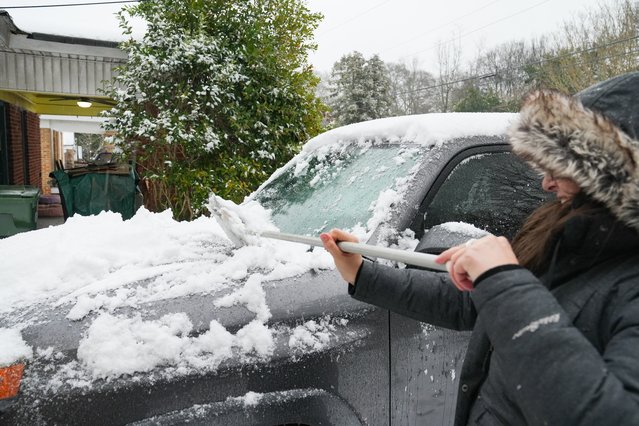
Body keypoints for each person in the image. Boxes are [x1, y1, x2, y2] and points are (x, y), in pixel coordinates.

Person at [320, 72, 639, 425]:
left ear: (614, 177)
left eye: (562, 168)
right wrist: (363, 274)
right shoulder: (568, 237)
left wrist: (505, 282)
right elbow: (473, 305)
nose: (546, 183)